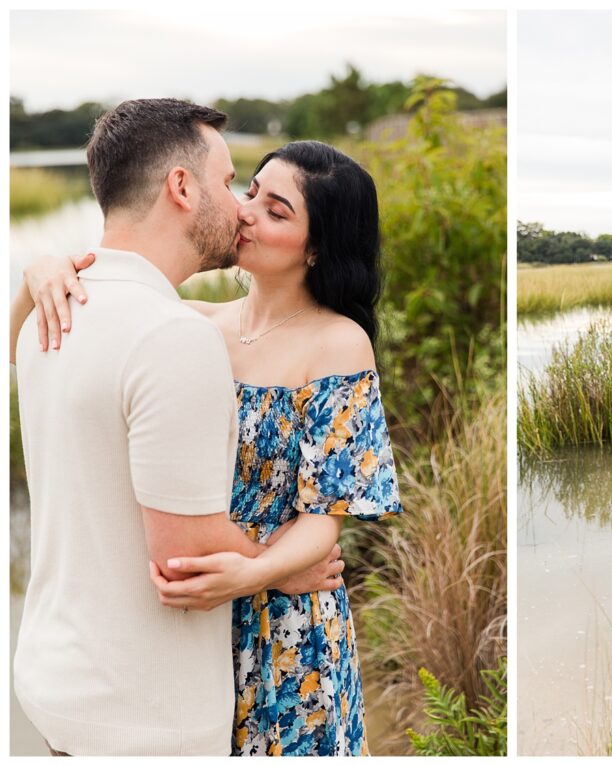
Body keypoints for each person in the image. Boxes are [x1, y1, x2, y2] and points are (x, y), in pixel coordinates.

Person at [15, 102, 402, 756]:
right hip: (196, 618)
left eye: (277, 211)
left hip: (284, 627)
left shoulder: (339, 345)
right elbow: (66, 336)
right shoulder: (193, 323)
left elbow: (325, 518)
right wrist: (42, 270)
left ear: (316, 249)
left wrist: (262, 575)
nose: (246, 211)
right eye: (249, 190)